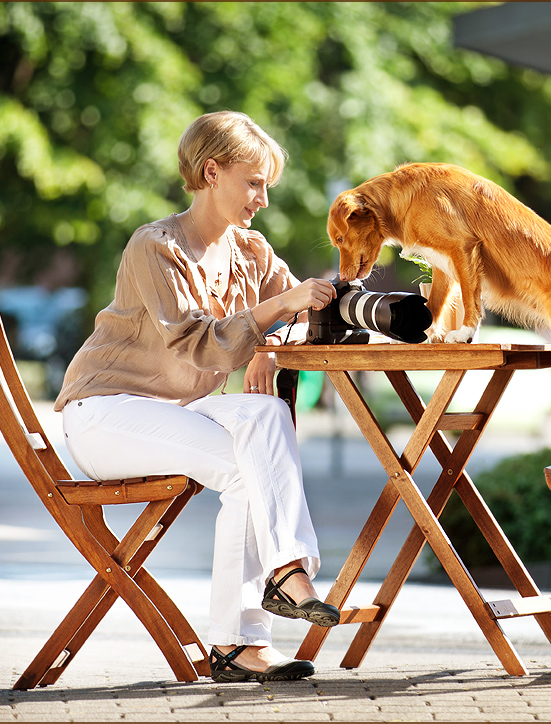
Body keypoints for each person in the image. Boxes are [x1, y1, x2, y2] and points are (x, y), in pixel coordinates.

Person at [54, 111, 339, 683]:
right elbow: (194, 343)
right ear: (211, 171)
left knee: (265, 411)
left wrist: (269, 347)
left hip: (175, 412)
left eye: (266, 186)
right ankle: (252, 627)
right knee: (245, 468)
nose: (262, 198)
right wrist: (275, 313)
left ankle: (271, 593)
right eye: (253, 182)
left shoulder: (251, 252)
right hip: (105, 414)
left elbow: (302, 313)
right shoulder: (154, 247)